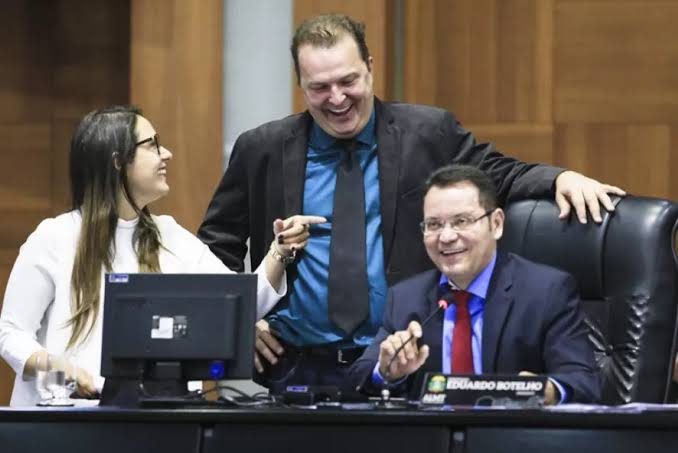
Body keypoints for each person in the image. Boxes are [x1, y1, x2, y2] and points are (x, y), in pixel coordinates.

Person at [197, 14, 622, 393]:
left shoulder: (426, 132)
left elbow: (497, 173)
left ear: (370, 68)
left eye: (348, 81)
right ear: (301, 86)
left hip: (400, 365)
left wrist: (561, 178)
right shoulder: (263, 149)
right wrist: (239, 322)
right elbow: (215, 249)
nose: (337, 98)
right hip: (293, 369)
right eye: (319, 87)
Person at [0, 106, 322, 407]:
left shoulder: (170, 235)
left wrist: (278, 250)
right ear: (117, 161)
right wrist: (61, 373)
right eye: (152, 145)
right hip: (62, 424)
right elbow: (10, 335)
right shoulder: (54, 237)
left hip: (151, 424)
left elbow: (237, 303)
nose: (166, 154)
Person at [343, 165, 600, 404]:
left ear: (496, 224)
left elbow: (583, 382)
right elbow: (360, 377)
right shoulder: (407, 297)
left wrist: (543, 390)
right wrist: (388, 372)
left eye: (461, 221)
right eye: (433, 224)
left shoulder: (546, 291)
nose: (446, 236)